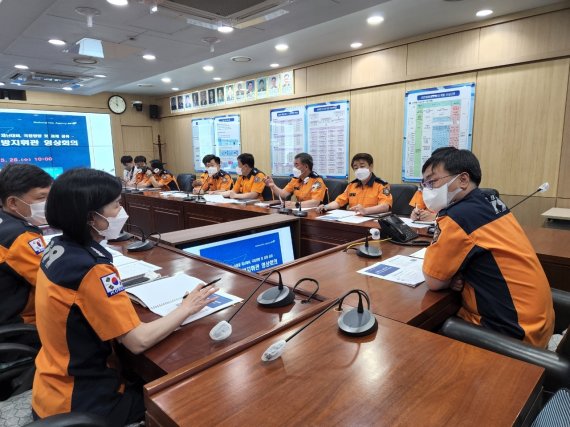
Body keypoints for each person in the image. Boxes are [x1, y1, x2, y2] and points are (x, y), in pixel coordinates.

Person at [31, 168, 218, 424]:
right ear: (91, 217)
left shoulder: (58, 246)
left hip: (52, 381)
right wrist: (187, 307)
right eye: (116, 205)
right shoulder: (92, 268)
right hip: (81, 398)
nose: (122, 212)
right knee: (192, 398)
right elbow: (137, 341)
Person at [421, 147, 554, 348]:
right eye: (425, 184)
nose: (428, 190)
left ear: (463, 180)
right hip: (540, 323)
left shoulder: (458, 217)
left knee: (424, 333)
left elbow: (434, 281)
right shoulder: (491, 202)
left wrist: (451, 278)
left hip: (512, 335)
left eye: (432, 182)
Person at [0, 163, 52, 326]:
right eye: (41, 198)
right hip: (22, 323)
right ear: (13, 203)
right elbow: (54, 282)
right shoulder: (20, 236)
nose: (49, 203)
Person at [317, 153, 392, 215]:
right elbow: (339, 202)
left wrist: (365, 211)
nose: (359, 170)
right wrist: (326, 206)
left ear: (371, 167)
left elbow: (385, 206)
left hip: (372, 220)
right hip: (354, 220)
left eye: (362, 166)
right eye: (356, 168)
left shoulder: (382, 185)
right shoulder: (351, 185)